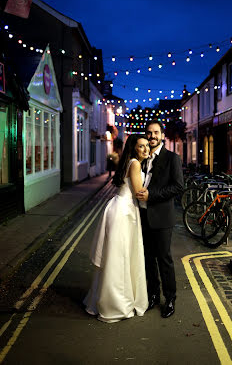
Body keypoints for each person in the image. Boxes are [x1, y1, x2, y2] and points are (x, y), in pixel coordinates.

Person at [83, 134, 150, 323]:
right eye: (141, 146)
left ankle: (103, 301)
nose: (146, 150)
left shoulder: (127, 161)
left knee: (114, 256)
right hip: (125, 212)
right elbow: (138, 193)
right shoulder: (135, 164)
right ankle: (116, 305)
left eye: (147, 146)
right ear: (134, 148)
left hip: (118, 207)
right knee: (120, 258)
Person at [136, 119, 184, 318]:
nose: (152, 136)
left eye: (155, 132)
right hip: (143, 216)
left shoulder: (172, 158)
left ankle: (170, 299)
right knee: (148, 259)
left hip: (162, 217)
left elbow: (178, 186)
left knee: (164, 259)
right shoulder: (143, 157)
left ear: (162, 135)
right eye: (149, 132)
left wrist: (152, 195)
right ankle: (153, 295)